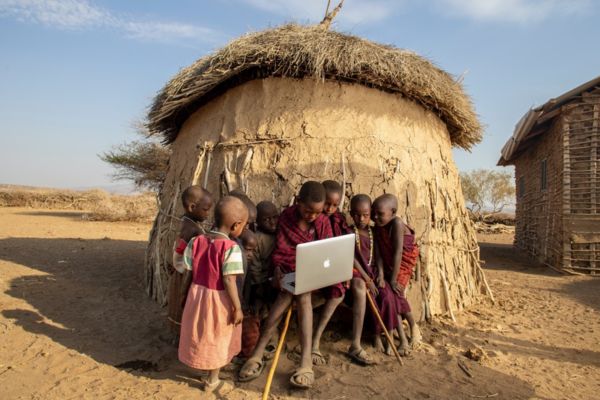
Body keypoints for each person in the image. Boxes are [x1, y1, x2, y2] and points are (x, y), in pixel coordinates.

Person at [239, 181, 333, 389]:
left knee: (303, 292)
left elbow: (327, 254)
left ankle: (289, 358)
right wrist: (278, 269)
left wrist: (313, 270)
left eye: (317, 213)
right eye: (308, 211)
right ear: (299, 202)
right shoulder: (287, 217)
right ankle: (294, 361)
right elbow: (280, 252)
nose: (312, 216)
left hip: (314, 275)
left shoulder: (324, 223)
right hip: (289, 273)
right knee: (288, 291)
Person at [178, 196, 248, 394]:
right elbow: (228, 281)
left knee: (201, 334)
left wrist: (183, 295)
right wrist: (237, 307)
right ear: (236, 225)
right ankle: (212, 380)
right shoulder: (231, 249)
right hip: (218, 302)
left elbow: (188, 273)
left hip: (196, 296)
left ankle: (204, 369)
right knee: (217, 338)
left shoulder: (196, 241)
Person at [372, 194, 422, 356]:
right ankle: (395, 334)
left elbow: (399, 253)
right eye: (373, 213)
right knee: (391, 297)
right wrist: (380, 273)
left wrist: (392, 279)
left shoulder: (397, 223)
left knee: (397, 293)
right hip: (387, 265)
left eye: (380, 214)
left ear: (392, 212)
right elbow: (378, 253)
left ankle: (414, 327)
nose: (375, 217)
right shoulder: (379, 226)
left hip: (402, 265)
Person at [349, 194, 399, 357]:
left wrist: (380, 275)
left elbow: (378, 256)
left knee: (386, 296)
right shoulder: (349, 232)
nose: (361, 219)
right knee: (371, 296)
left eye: (366, 215)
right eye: (357, 215)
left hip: (374, 272)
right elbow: (352, 258)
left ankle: (389, 335)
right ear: (351, 214)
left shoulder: (373, 232)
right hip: (359, 274)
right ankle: (376, 335)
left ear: (370, 214)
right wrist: (368, 280)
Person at [309, 180, 349, 365]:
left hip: (327, 267)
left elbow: (340, 249)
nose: (330, 208)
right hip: (310, 268)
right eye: (327, 203)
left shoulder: (339, 221)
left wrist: (344, 271)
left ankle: (316, 337)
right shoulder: (309, 216)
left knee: (339, 290)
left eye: (335, 205)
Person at [167, 186, 213, 346]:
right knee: (184, 307)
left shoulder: (188, 223)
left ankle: (178, 338)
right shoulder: (193, 229)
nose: (208, 214)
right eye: (206, 210)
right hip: (184, 273)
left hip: (180, 269)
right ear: (192, 207)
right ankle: (182, 340)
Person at [250, 201, 280, 358]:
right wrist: (258, 286)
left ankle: (272, 335)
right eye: (267, 219)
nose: (273, 222)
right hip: (262, 281)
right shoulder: (257, 239)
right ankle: (266, 338)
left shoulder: (281, 233)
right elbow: (254, 267)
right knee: (260, 309)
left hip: (277, 277)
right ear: (258, 221)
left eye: (275, 217)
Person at [238, 230, 260, 359]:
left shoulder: (247, 262)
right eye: (247, 250)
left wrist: (244, 304)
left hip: (241, 304)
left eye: (252, 251)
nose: (250, 254)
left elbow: (247, 284)